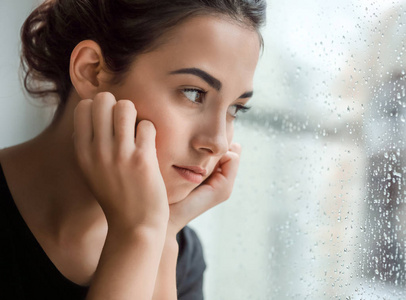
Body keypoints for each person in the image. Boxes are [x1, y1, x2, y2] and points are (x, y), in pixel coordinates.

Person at [0, 0, 266, 299]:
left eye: (235, 109)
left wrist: (160, 234)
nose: (218, 141)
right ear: (92, 71)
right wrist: (140, 233)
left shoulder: (179, 255)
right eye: (193, 93)